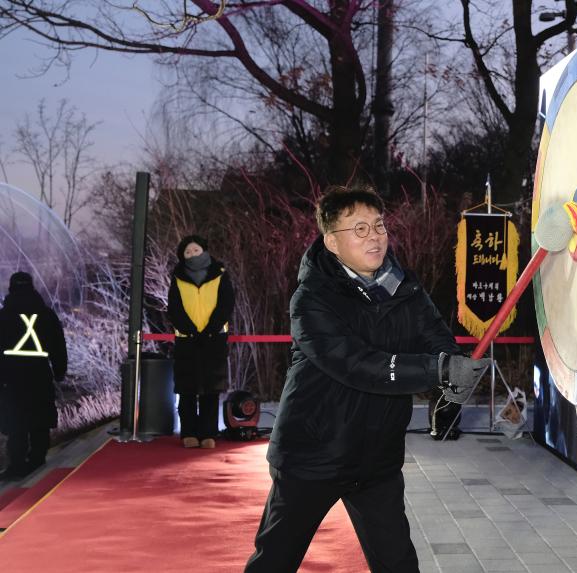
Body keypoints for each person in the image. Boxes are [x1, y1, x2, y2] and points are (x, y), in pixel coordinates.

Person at [245, 185, 491, 572]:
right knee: (275, 560)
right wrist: (435, 370)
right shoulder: (311, 300)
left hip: (376, 459)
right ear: (332, 242)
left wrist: (452, 377)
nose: (374, 236)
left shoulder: (405, 288)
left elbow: (436, 339)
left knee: (398, 564)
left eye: (379, 225)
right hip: (314, 455)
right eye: (359, 229)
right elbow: (357, 364)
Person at [167, 235, 235, 449]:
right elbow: (174, 308)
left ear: (204, 250)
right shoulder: (177, 278)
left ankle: (208, 433)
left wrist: (210, 329)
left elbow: (226, 304)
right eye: (187, 252)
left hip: (214, 339)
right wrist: (190, 330)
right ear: (182, 256)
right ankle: (188, 432)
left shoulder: (220, 274)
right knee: (186, 389)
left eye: (195, 250)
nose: (192, 254)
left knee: (210, 389)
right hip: (186, 341)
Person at [0, 272, 67, 480]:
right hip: (39, 374)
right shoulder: (47, 315)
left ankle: (17, 465)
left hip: (11, 377)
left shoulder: (3, 316)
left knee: (15, 422)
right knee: (40, 419)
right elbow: (58, 346)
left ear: (11, 288)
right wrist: (59, 371)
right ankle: (37, 460)